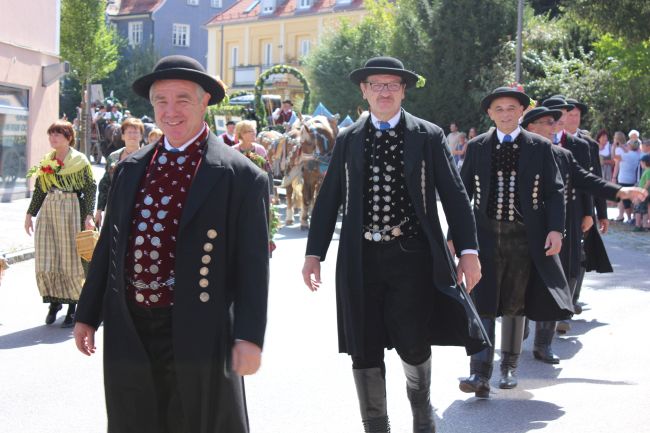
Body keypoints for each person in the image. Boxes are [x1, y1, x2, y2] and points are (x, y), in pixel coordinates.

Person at [73, 55, 270, 433]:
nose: (170, 111)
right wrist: (88, 313)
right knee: (137, 421)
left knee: (199, 422)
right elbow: (110, 245)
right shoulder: (130, 168)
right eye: (161, 100)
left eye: (182, 99)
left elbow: (253, 267)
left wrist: (249, 336)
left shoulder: (241, 177)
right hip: (131, 327)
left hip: (200, 326)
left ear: (204, 101)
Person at [302, 56, 488, 433]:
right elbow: (329, 198)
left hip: (413, 258)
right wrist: (313, 253)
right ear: (364, 91)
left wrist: (469, 252)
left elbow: (455, 195)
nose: (384, 91)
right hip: (360, 259)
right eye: (376, 84)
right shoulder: (348, 138)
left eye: (392, 85)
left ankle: (421, 412)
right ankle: (376, 427)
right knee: (363, 345)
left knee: (413, 341)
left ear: (403, 91)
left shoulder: (427, 135)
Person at [455, 87, 572, 398]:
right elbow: (462, 193)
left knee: (515, 300)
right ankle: (479, 372)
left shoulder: (539, 146)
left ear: (521, 112)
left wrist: (556, 230)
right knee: (482, 299)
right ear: (490, 113)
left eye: (511, 108)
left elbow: (555, 191)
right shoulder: (477, 146)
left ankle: (508, 367)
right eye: (499, 109)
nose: (505, 114)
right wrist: (456, 235)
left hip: (523, 236)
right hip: (484, 235)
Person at [522, 107, 647, 361]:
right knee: (521, 283)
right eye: (548, 122)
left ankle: (543, 344)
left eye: (555, 122)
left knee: (553, 283)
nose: (555, 126)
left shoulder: (562, 155)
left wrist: (620, 192)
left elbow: (587, 180)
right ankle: (515, 338)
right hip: (523, 231)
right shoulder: (518, 153)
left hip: (556, 229)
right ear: (531, 127)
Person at [24, 120, 96, 327]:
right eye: (51, 134)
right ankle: (54, 303)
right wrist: (30, 214)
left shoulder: (80, 161)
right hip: (50, 210)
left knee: (70, 259)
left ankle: (73, 307)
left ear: (68, 137)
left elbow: (90, 187)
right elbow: (40, 189)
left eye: (57, 134)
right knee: (48, 256)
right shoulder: (47, 160)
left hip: (72, 209)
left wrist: (89, 215)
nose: (52, 138)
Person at [94, 117, 145, 228]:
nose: (132, 135)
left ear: (141, 136)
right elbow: (105, 184)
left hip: (140, 208)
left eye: (136, 132)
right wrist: (99, 210)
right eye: (129, 132)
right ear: (122, 136)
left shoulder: (148, 157)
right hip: (115, 208)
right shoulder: (114, 157)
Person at [614, 135, 642, 223]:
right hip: (633, 179)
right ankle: (633, 217)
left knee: (625, 200)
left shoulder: (626, 155)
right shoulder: (638, 155)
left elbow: (615, 157)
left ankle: (629, 218)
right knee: (632, 199)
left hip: (623, 179)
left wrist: (615, 146)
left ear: (630, 146)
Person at [633, 153, 650, 231]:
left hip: (643, 193)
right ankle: (645, 225)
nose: (641, 164)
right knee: (644, 210)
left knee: (638, 209)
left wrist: (642, 191)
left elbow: (648, 182)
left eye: (642, 162)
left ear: (645, 162)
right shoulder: (646, 171)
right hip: (644, 193)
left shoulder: (648, 171)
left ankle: (638, 225)